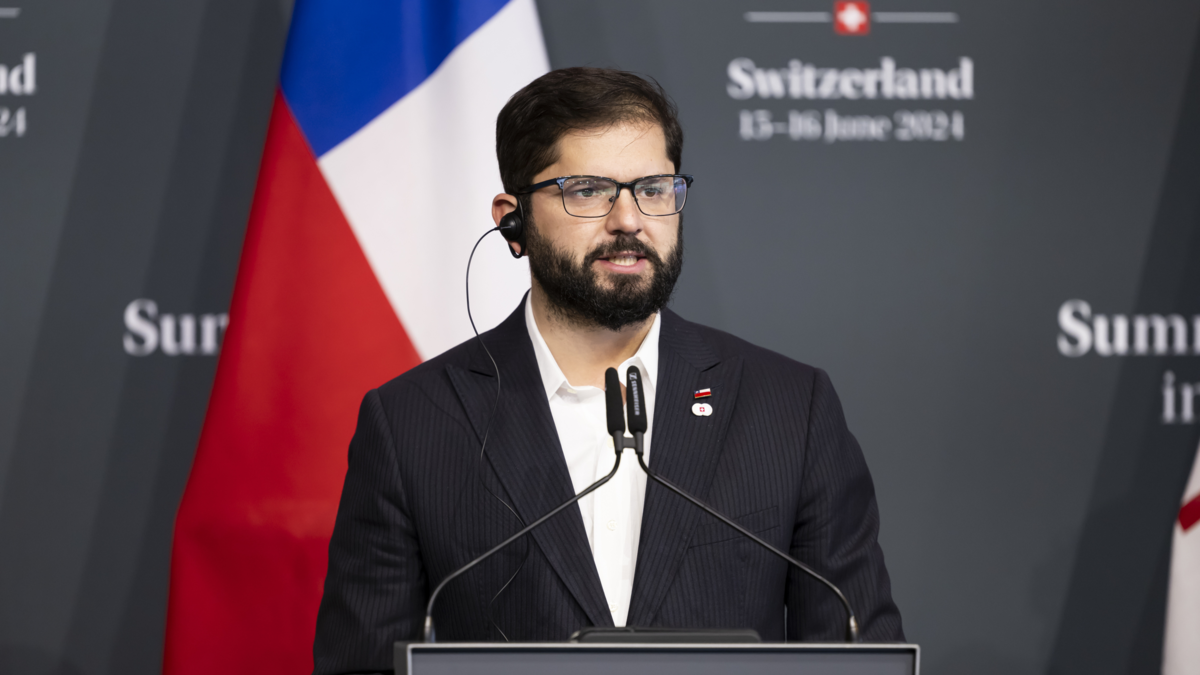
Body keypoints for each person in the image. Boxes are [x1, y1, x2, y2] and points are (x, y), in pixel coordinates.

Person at [312, 67, 903, 674]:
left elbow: (859, 654)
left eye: (653, 187)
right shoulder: (413, 423)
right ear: (512, 222)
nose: (629, 219)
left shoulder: (788, 409)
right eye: (589, 190)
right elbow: (362, 663)